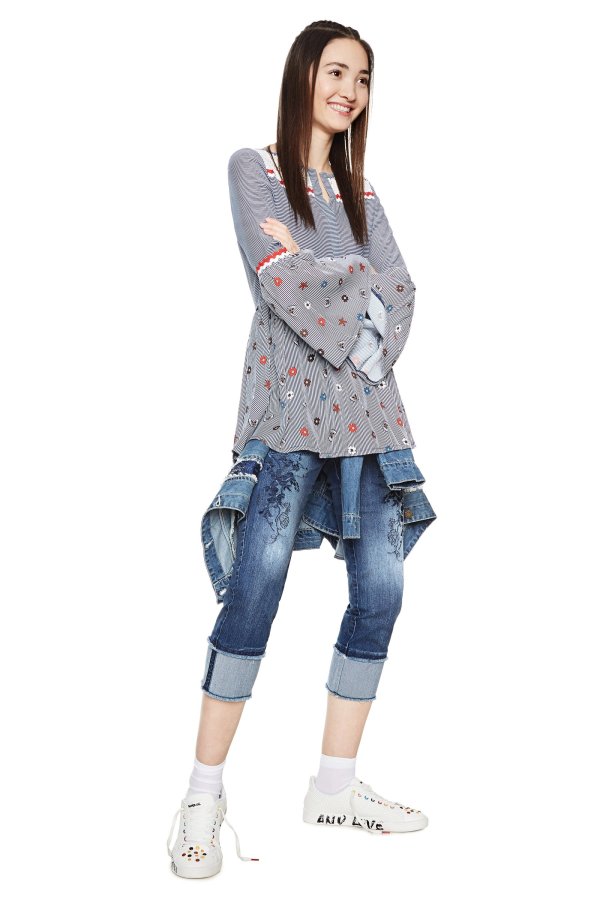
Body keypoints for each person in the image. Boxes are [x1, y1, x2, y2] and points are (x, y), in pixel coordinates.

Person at [167, 20, 437, 879]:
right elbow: (279, 277)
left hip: (370, 422)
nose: (350, 90)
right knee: (254, 593)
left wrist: (343, 285)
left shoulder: (364, 195)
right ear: (303, 75)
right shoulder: (255, 170)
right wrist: (358, 288)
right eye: (337, 71)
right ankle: (202, 795)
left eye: (363, 77)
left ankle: (336, 785)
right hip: (286, 415)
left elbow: (404, 291)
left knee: (381, 594)